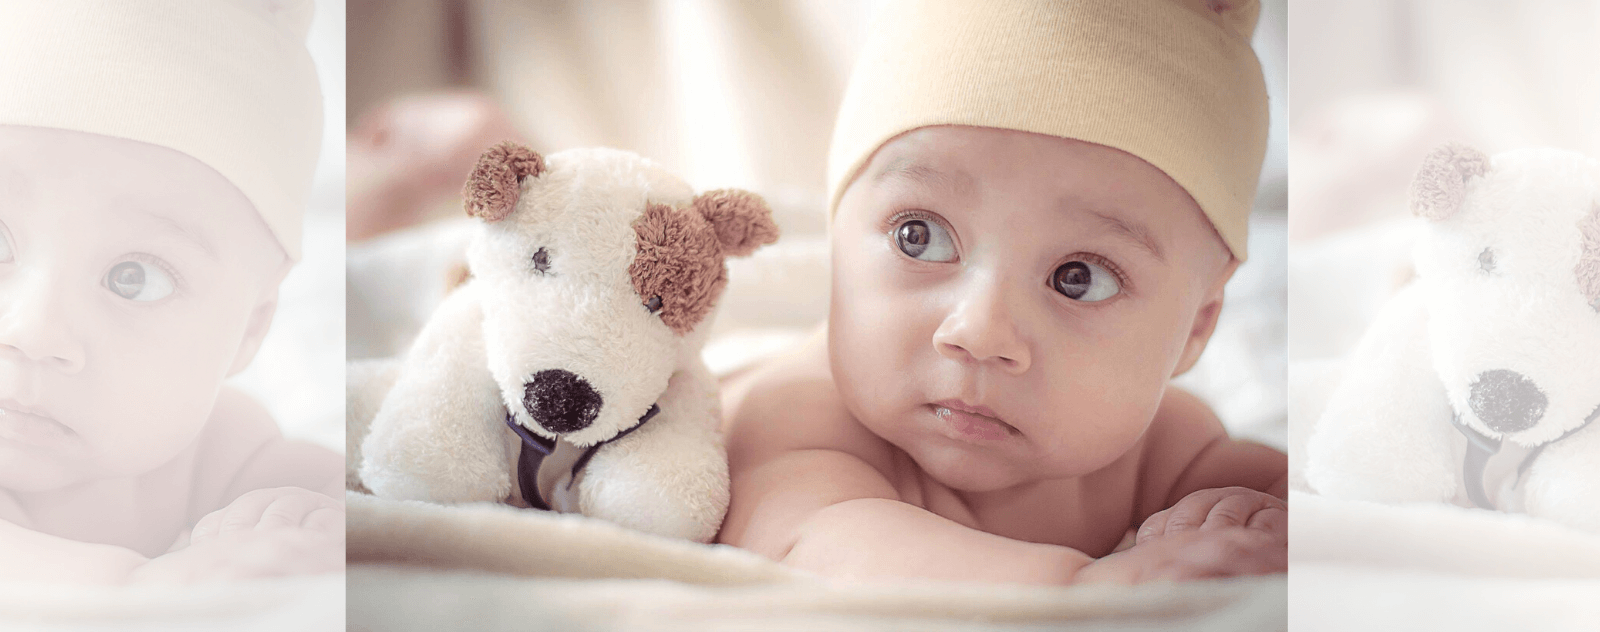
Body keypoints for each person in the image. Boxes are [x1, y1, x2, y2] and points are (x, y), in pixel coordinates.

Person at [717, 0, 1288, 584]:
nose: (980, 332)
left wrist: (1262, 517)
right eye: (920, 237)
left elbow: (1298, 493)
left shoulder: (1159, 448)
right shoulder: (796, 416)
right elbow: (814, 538)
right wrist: (1081, 588)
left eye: (1079, 278)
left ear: (1196, 327)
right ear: (837, 241)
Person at [0, 0, 343, 584]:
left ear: (250, 329)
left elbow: (370, 492)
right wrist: (144, 589)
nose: (33, 332)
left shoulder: (214, 449)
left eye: (134, 278)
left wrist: (326, 515)